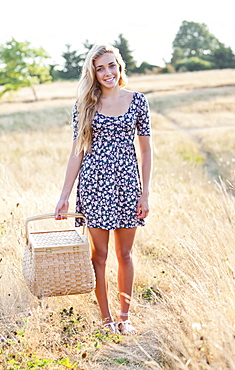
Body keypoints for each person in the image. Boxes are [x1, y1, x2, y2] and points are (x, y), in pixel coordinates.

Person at [55, 44, 152, 335]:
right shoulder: (84, 106)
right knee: (99, 256)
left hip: (127, 187)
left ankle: (125, 317)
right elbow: (76, 153)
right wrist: (64, 196)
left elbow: (146, 151)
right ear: (93, 73)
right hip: (94, 186)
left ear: (120, 66)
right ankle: (106, 318)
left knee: (125, 254)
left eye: (111, 65)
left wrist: (145, 192)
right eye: (100, 68)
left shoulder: (137, 101)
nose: (107, 72)